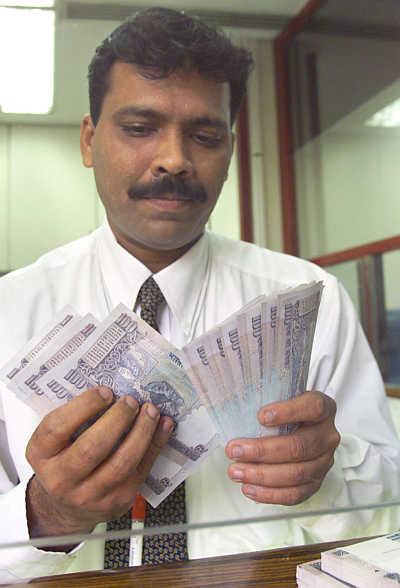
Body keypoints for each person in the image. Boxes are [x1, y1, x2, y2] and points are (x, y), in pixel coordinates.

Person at [0, 6, 399, 582]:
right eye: (139, 128)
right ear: (90, 141)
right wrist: (45, 513)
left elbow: (387, 499)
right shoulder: (11, 309)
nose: (174, 160)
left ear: (231, 151)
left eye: (205, 135)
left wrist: (330, 469)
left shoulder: (311, 300)